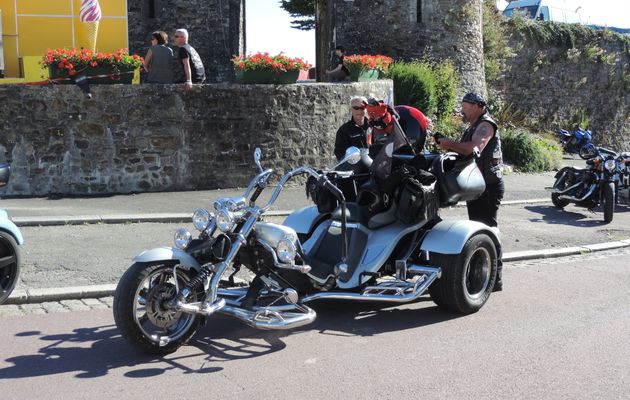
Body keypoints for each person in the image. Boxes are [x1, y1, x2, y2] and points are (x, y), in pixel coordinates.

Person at [436, 92, 504, 290]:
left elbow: (474, 149)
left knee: (487, 229)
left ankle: (495, 277)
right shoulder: (475, 124)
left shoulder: (486, 125)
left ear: (476, 106)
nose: (462, 110)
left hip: (488, 186)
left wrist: (450, 144)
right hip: (478, 185)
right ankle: (481, 272)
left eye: (465, 107)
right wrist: (448, 146)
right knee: (478, 229)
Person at [334, 96, 370, 161]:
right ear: (351, 109)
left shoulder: (374, 126)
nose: (359, 110)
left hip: (375, 165)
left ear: (366, 109)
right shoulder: (344, 130)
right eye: (356, 108)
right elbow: (339, 152)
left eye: (362, 108)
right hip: (354, 166)